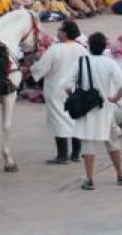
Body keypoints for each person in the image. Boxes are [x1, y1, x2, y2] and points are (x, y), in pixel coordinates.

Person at [64, 31, 122, 190]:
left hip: (85, 110)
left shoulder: (80, 62)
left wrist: (75, 97)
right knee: (112, 142)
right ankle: (120, 174)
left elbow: (67, 85)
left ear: (88, 46)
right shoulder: (109, 63)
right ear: (104, 47)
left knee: (87, 143)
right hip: (105, 108)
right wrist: (115, 98)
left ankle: (89, 179)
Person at [30, 20, 88, 164]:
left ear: (65, 33)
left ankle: (63, 155)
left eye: (60, 29)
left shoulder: (55, 49)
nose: (57, 32)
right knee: (75, 118)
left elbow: (41, 68)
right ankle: (76, 154)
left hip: (57, 89)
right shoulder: (81, 49)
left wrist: (31, 68)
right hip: (75, 88)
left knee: (59, 121)